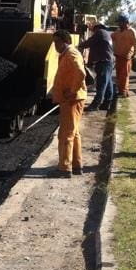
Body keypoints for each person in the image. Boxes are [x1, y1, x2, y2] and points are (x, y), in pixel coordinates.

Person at [50, 29, 86, 177]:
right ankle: (76, 165)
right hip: (71, 99)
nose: (55, 45)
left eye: (57, 42)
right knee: (74, 133)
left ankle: (64, 168)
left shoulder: (71, 54)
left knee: (65, 134)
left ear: (65, 41)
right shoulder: (66, 54)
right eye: (54, 42)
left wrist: (73, 90)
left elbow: (81, 73)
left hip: (72, 99)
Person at [82, 21, 114, 111]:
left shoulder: (99, 33)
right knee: (108, 84)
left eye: (93, 29)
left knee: (101, 85)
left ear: (97, 27)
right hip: (108, 62)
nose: (92, 31)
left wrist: (79, 45)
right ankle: (107, 103)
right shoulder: (106, 34)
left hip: (104, 62)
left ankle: (95, 105)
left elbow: (89, 43)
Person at [111, 15, 136, 98]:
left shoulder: (131, 31)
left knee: (124, 75)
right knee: (119, 74)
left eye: (120, 22)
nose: (119, 24)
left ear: (125, 22)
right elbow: (111, 37)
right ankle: (121, 91)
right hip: (118, 56)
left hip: (126, 56)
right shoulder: (118, 31)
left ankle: (123, 92)